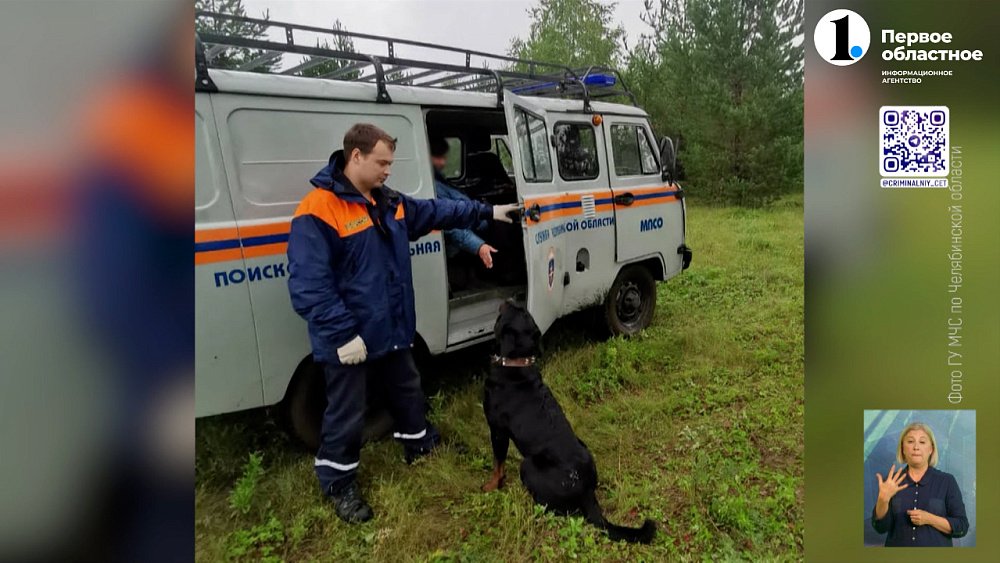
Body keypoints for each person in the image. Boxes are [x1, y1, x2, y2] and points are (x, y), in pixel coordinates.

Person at [286, 123, 517, 524]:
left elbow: (436, 210)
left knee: (407, 391)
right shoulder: (318, 209)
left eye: (390, 164)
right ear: (355, 157)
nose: (388, 171)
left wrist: (487, 211)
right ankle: (339, 485)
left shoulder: (388, 201)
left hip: (392, 329)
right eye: (382, 163)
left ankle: (419, 444)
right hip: (350, 339)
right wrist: (342, 334)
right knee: (345, 412)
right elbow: (308, 284)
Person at [871, 422, 969, 546]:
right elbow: (880, 528)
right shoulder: (891, 482)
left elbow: (962, 526)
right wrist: (882, 500)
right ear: (903, 449)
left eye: (922, 442)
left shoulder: (947, 481)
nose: (916, 447)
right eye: (910, 442)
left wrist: (930, 519)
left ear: (931, 449)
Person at [429, 137, 497, 269]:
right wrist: (478, 246)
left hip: (473, 225)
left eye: (444, 157)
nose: (443, 162)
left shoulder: (439, 179)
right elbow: (451, 226)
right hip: (460, 239)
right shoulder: (434, 187)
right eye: (438, 157)